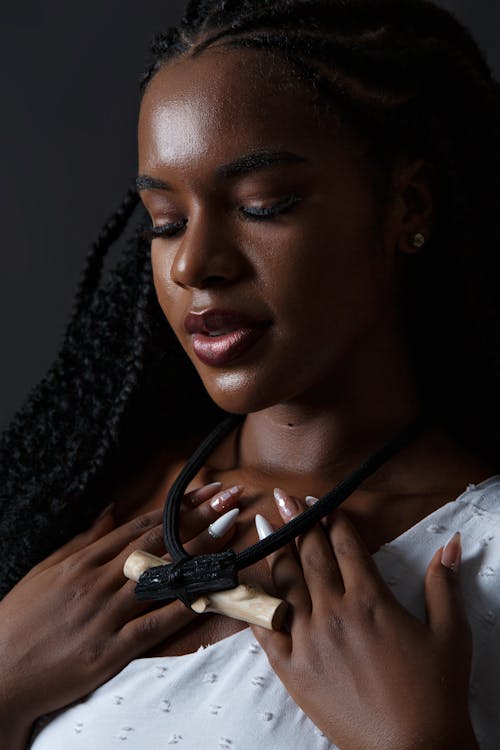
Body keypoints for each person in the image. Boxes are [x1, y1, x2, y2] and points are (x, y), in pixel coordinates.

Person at [1, 0, 500, 747]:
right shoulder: (95, 509)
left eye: (266, 205)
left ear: (408, 205)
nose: (194, 263)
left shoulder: (482, 555)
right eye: (165, 220)